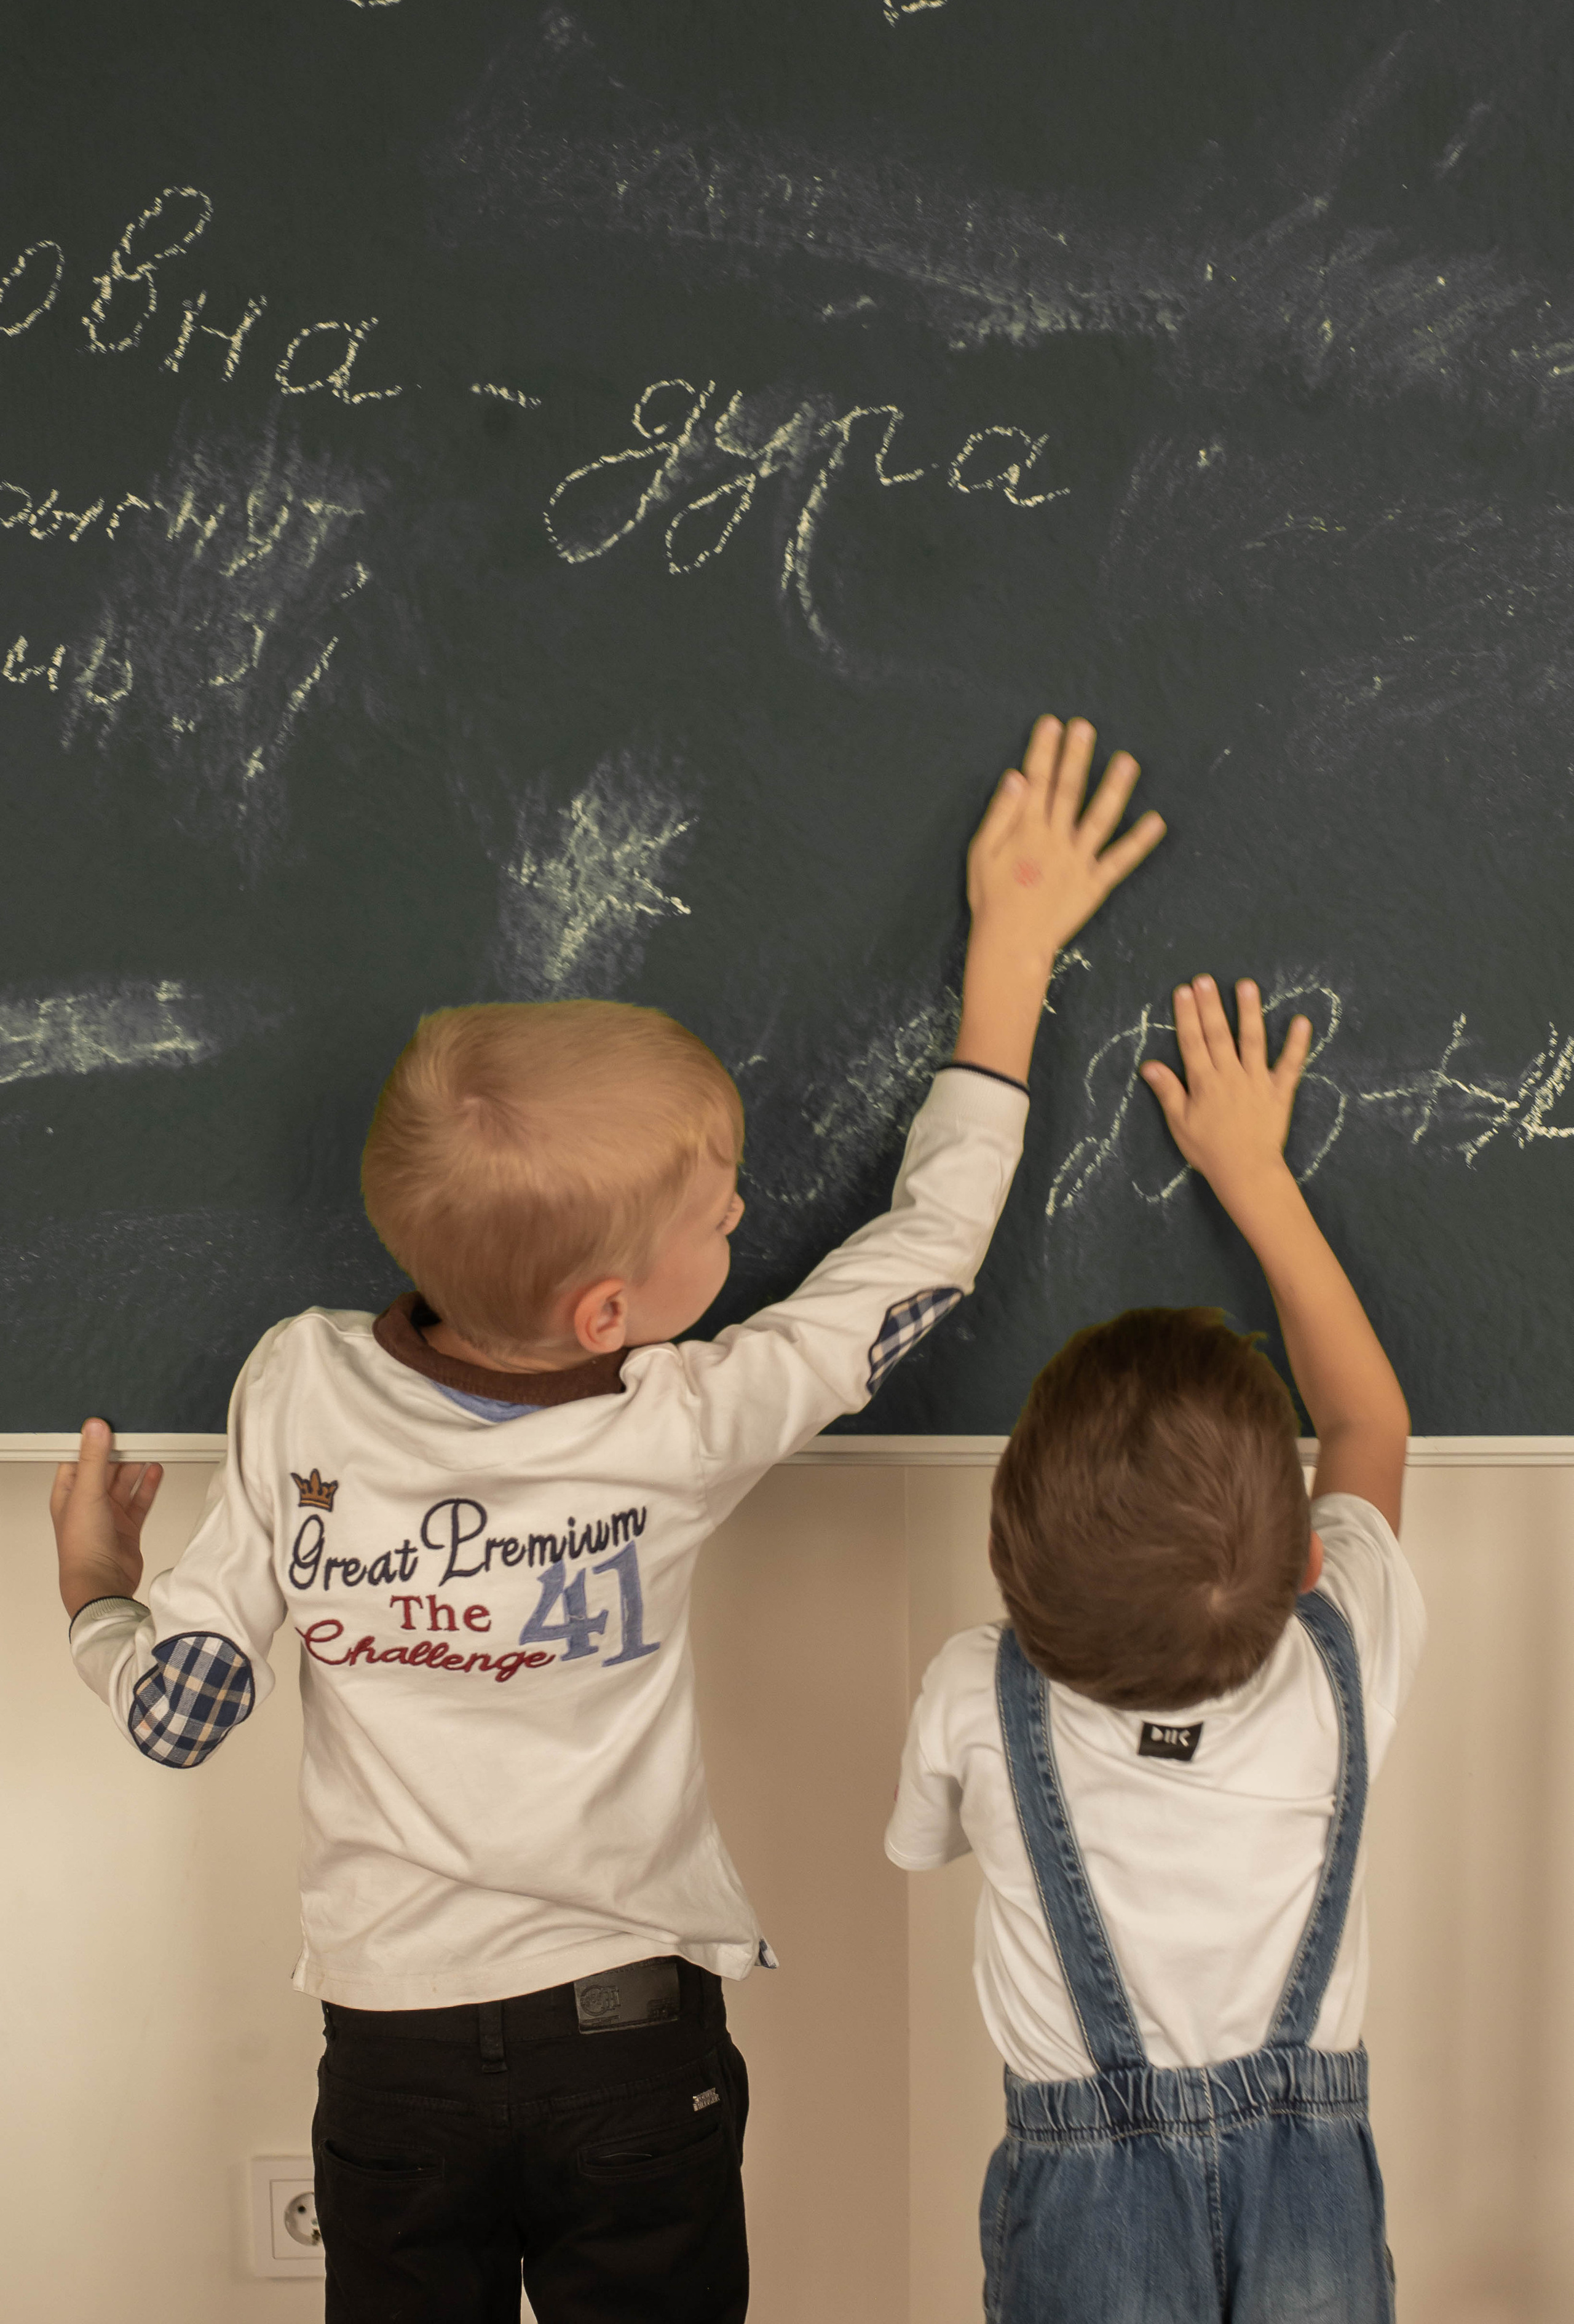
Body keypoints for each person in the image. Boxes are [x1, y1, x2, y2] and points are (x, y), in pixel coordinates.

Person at [50, 716, 1164, 2324]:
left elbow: (178, 1711)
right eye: (720, 1215)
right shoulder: (681, 1424)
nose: (744, 1216)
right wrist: (1006, 965)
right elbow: (922, 1262)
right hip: (629, 2047)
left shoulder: (296, 1385)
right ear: (604, 1312)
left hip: (392, 2055)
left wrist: (100, 1583)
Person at [886, 972, 1420, 2324]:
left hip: (1083, 2208)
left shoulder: (972, 1690)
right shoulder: (1337, 1653)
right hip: (1314, 2182)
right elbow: (1367, 1425)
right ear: (1305, 1566)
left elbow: (919, 1842)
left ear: (1012, 1577)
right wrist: (1251, 1172)